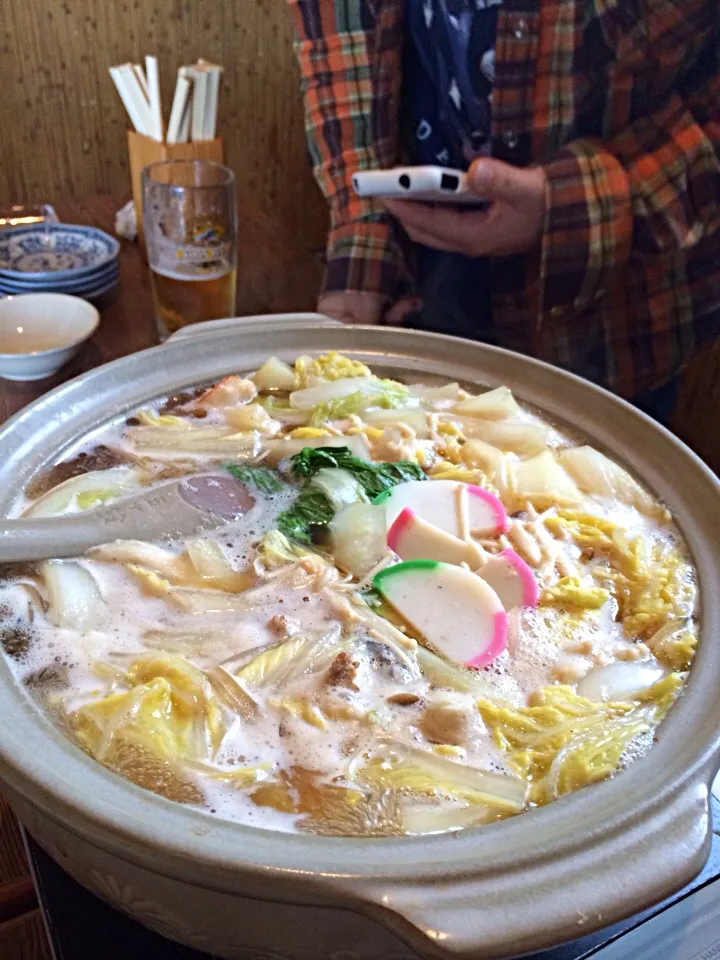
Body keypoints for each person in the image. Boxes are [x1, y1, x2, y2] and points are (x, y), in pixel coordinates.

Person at [288, 0, 720, 425]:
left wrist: (577, 202)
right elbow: (343, 24)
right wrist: (365, 236)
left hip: (618, 309)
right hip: (423, 268)